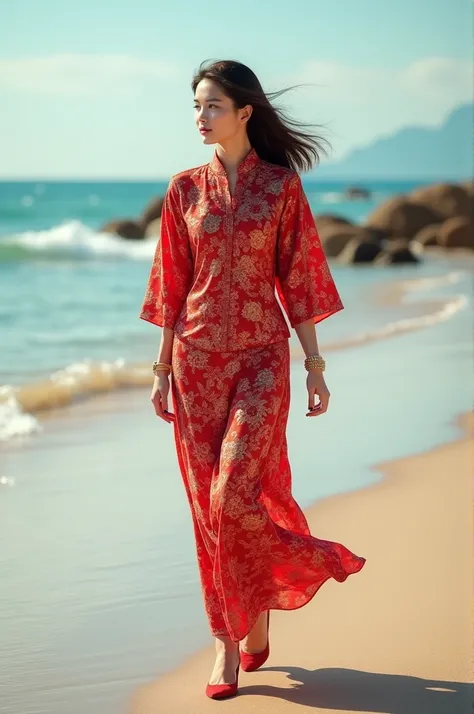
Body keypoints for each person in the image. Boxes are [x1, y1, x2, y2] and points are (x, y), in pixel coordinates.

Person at [139, 59, 366, 700]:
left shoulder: (280, 187)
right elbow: (170, 288)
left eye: (212, 105)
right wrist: (160, 370)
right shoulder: (184, 190)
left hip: (264, 361)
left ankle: (252, 608)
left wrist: (315, 364)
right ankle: (228, 641)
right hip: (195, 365)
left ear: (245, 112)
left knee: (233, 496)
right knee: (208, 513)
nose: (200, 117)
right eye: (195, 106)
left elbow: (300, 278)